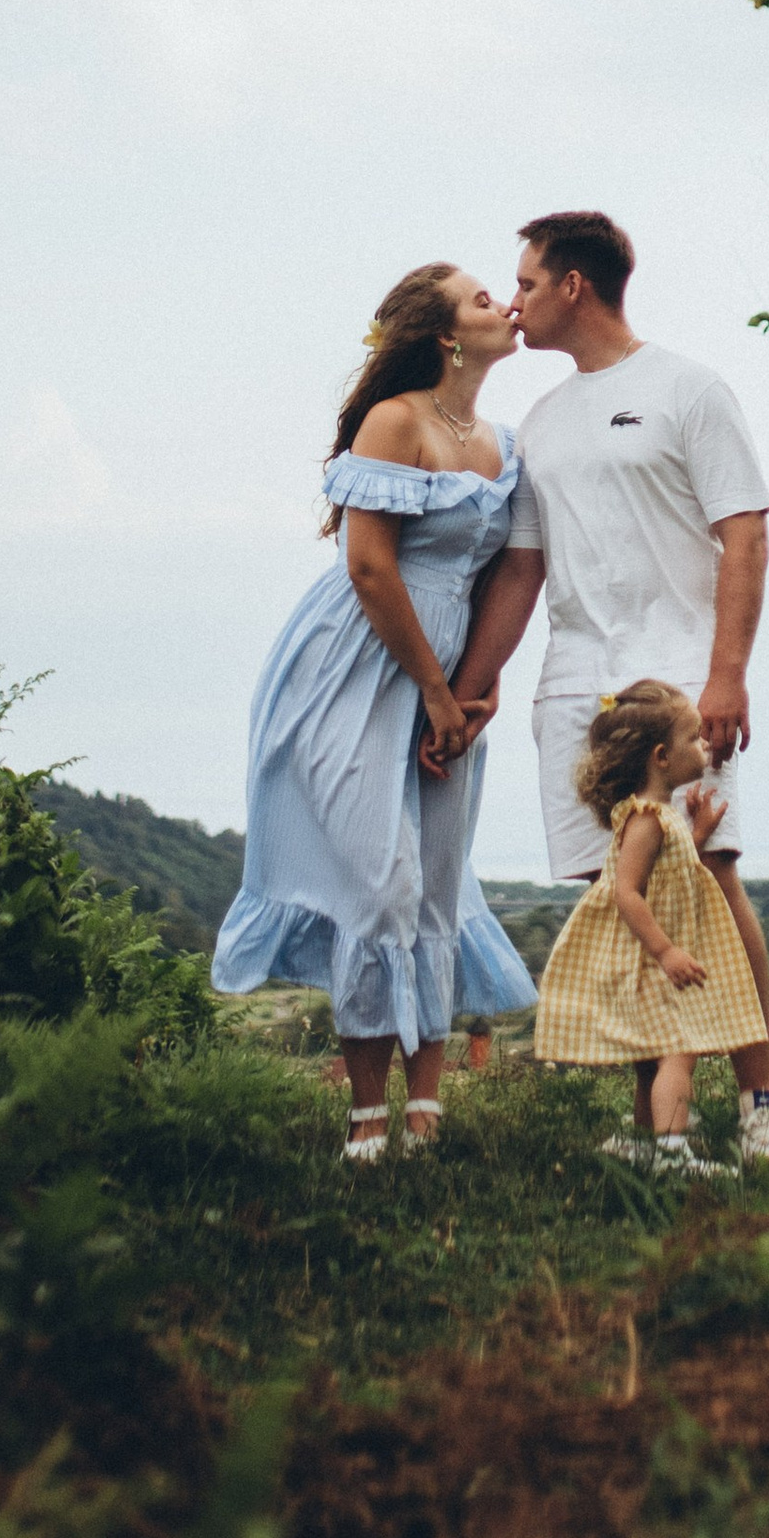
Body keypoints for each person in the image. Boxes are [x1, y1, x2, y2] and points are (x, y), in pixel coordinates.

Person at [453, 207, 769, 1173]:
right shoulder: (540, 423)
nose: (514, 299)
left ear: (574, 284)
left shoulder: (688, 389)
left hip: (678, 684)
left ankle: (763, 1104)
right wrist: (473, 684)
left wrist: (726, 673)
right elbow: (523, 570)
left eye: (525, 281)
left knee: (712, 875)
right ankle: (665, 1129)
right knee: (621, 900)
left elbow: (746, 532)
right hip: (575, 687)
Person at [211, 261, 536, 1161]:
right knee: (375, 882)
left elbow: (506, 573)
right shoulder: (394, 422)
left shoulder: (506, 443)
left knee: (434, 880)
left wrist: (479, 683)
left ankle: (425, 1110)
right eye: (481, 298)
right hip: (357, 663)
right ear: (443, 335)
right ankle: (364, 1117)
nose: (503, 304)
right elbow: (369, 567)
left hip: (447, 672)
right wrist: (434, 688)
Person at [532, 683, 766, 1168]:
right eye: (694, 739)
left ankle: (644, 1142)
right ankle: (672, 1150)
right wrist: (666, 952)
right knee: (679, 1052)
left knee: (656, 1056)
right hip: (654, 960)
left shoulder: (662, 816)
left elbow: (672, 867)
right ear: (662, 756)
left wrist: (696, 832)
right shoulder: (645, 820)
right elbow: (627, 891)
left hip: (657, 960)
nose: (704, 746)